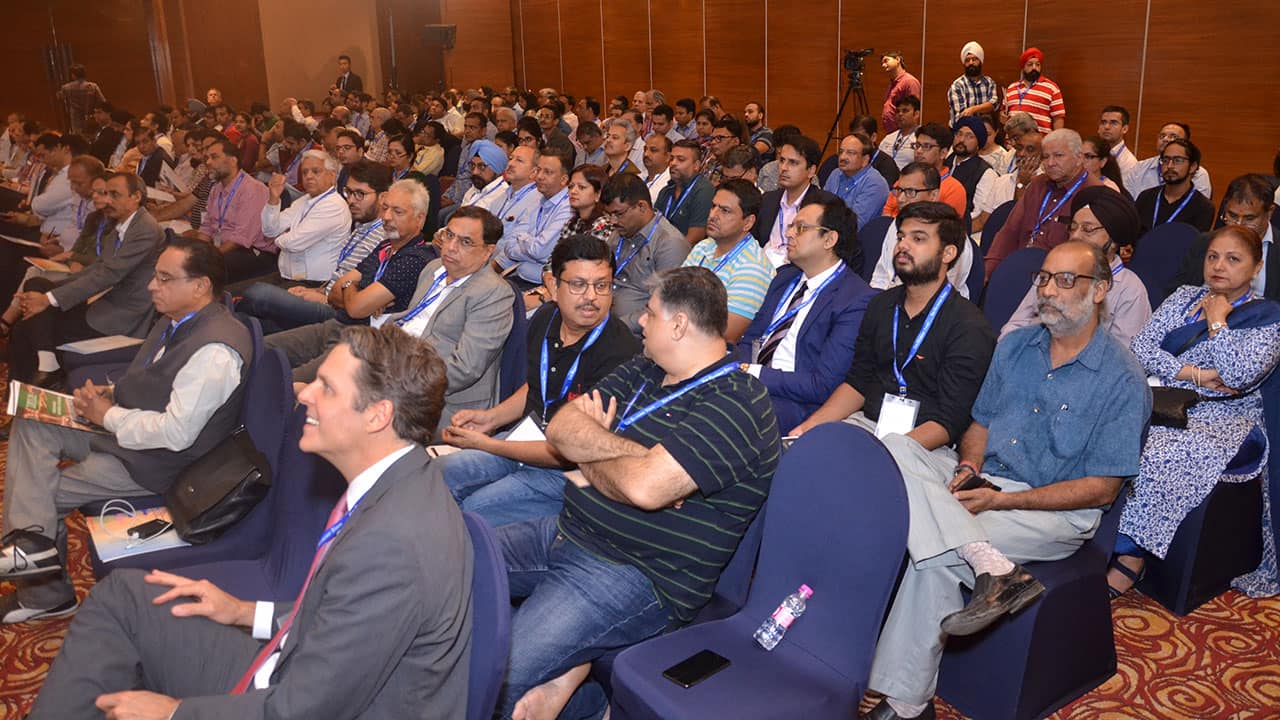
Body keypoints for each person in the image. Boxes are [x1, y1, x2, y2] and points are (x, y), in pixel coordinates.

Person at [26, 324, 473, 717]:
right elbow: (342, 618)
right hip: (297, 670)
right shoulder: (395, 485)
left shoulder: (392, 545)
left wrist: (174, 714)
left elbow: (306, 708)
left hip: (300, 701)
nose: (304, 393)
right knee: (123, 596)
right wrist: (244, 611)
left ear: (377, 415)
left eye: (327, 388)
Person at [857, 240, 1149, 720]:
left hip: (1052, 511)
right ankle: (989, 562)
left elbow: (1103, 489)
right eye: (1044, 278)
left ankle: (906, 703)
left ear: (1099, 290)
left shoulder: (1122, 379)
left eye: (1065, 280)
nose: (1048, 290)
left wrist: (1000, 503)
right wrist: (969, 470)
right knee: (894, 446)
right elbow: (979, 425)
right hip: (985, 480)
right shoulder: (1014, 346)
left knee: (937, 556)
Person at [496, 266, 780, 719]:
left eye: (649, 313)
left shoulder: (739, 401)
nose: (639, 321)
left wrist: (595, 453)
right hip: (567, 531)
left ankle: (588, 703)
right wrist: (636, 457)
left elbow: (645, 489)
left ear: (679, 324)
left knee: (497, 679)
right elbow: (563, 427)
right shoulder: (644, 369)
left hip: (633, 573)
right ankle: (570, 678)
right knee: (449, 572)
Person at [1, 238, 253, 624]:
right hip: (129, 432)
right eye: (155, 275)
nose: (152, 286)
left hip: (158, 463)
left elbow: (176, 434)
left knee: (41, 494)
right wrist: (112, 393)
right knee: (33, 421)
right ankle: (31, 548)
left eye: (165, 278)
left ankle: (47, 594)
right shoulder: (178, 320)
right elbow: (157, 381)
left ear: (200, 286)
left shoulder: (215, 351)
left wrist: (107, 415)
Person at [1109, 225, 1280, 600]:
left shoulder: (1268, 317)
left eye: (1233, 259)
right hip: (1160, 399)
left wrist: (1218, 321)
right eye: (1213, 256)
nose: (1219, 266)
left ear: (1256, 267)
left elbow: (1239, 375)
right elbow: (1141, 349)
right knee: (1108, 430)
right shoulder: (1184, 297)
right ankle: (1095, 537)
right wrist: (1197, 374)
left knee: (1156, 451)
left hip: (1227, 419)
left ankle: (1130, 556)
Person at [439, 235, 640, 527]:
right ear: (553, 286)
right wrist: (491, 418)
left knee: (475, 509)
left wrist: (488, 444)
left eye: (602, 285)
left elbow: (571, 451)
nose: (591, 297)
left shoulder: (621, 352)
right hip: (523, 441)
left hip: (569, 469)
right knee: (439, 473)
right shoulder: (545, 318)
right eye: (578, 284)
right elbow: (537, 386)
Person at [272, 204, 513, 429]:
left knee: (322, 407)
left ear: (488, 252)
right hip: (394, 362)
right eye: (449, 235)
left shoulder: (493, 294)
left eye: (465, 242)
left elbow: (464, 370)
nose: (450, 246)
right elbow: (415, 320)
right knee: (300, 388)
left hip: (436, 398)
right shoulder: (434, 269)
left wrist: (394, 377)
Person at [793, 201, 994, 449]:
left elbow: (949, 420)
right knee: (809, 450)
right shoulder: (880, 305)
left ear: (948, 253)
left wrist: (883, 454)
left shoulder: (969, 326)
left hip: (925, 446)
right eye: (901, 237)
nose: (903, 245)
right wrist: (808, 429)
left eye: (918, 239)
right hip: (867, 425)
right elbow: (857, 383)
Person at [7, 172, 164, 387]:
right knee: (36, 285)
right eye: (106, 194)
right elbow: (98, 268)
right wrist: (50, 293)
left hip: (119, 315)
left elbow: (110, 273)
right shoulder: (120, 225)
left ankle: (45, 370)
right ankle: (42, 369)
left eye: (115, 195)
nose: (107, 200)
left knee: (25, 329)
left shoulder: (145, 229)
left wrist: (49, 299)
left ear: (136, 196)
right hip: (102, 302)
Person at [736, 194, 875, 431]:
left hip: (795, 404)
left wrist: (756, 374)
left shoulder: (855, 299)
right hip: (750, 383)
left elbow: (823, 384)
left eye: (800, 228)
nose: (789, 233)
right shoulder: (784, 278)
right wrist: (743, 371)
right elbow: (750, 339)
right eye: (791, 226)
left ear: (829, 239)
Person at [237, 161, 392, 333]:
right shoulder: (362, 226)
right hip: (321, 291)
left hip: (337, 312)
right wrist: (316, 291)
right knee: (249, 323)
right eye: (348, 192)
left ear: (383, 197)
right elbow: (341, 273)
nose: (351, 200)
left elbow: (363, 292)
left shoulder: (384, 238)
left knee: (259, 294)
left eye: (360, 194)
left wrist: (324, 298)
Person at [1002, 186, 1152, 345]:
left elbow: (1124, 354)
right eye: (1072, 228)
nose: (1075, 236)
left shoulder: (1130, 289)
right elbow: (1015, 325)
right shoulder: (1052, 270)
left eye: (1088, 230)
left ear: (1113, 239)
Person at [984, 129, 1100, 277]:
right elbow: (1009, 232)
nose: (1050, 163)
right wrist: (989, 271)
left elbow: (1089, 257)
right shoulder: (1038, 184)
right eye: (1045, 157)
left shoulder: (1095, 193)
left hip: (1061, 277)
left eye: (1058, 156)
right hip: (1020, 266)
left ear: (1079, 158)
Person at [681, 179, 774, 342]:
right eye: (713, 206)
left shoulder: (753, 267)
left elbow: (725, 335)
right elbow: (672, 294)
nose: (713, 215)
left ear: (748, 222)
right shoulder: (704, 247)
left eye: (725, 211)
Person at [600, 172, 690, 332]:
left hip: (635, 333)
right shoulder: (620, 232)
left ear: (641, 206)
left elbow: (666, 306)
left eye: (618, 214)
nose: (613, 221)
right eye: (609, 215)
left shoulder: (669, 243)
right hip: (603, 318)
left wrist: (613, 327)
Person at [871, 164, 975, 296]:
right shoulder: (898, 224)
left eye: (910, 192)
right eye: (899, 190)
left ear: (933, 195)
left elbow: (938, 291)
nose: (901, 199)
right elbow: (880, 275)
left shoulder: (950, 233)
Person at [1172, 174, 1279, 300]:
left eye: (1249, 218)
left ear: (1269, 213)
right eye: (1232, 216)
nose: (1239, 225)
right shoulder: (1205, 242)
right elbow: (1176, 292)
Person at [754, 135, 848, 269]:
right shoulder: (767, 200)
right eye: (782, 160)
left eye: (793, 163)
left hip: (799, 271)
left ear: (811, 171)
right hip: (761, 268)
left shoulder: (826, 206)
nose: (783, 168)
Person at [261, 149, 354, 286]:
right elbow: (269, 230)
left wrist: (281, 237)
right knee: (243, 292)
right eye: (304, 172)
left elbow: (293, 243)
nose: (309, 176)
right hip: (287, 275)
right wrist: (274, 198)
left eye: (316, 171)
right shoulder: (303, 200)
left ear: (332, 175)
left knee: (254, 293)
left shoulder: (334, 205)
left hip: (314, 283)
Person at [191, 137, 274, 282]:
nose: (208, 162)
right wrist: (200, 250)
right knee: (185, 255)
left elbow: (241, 238)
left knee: (206, 268)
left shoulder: (253, 189)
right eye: (207, 158)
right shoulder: (216, 189)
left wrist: (212, 255)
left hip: (252, 252)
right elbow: (207, 226)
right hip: (224, 246)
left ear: (233, 161)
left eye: (214, 157)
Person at [493, 146, 574, 285]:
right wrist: (532, 244)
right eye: (539, 170)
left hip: (544, 284)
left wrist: (523, 240)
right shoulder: (538, 200)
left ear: (563, 179)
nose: (540, 176)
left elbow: (540, 251)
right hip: (519, 276)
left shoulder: (568, 207)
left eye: (547, 172)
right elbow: (510, 247)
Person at [883, 124, 968, 220]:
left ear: (943, 153)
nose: (919, 151)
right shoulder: (905, 179)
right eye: (917, 145)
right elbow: (887, 211)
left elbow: (945, 225)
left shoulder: (954, 189)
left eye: (926, 146)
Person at [1134, 138, 1215, 233]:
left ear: (1192, 167)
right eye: (1165, 160)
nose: (1169, 166)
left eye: (1177, 160)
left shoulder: (1203, 207)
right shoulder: (1146, 197)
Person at [1124, 122, 1212, 200]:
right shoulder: (1139, 168)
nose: (1165, 139)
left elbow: (1198, 205)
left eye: (1173, 136)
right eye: (1162, 136)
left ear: (1185, 143)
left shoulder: (1199, 174)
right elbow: (1127, 201)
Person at [823, 131, 891, 230]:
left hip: (857, 237)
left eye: (850, 153)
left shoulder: (875, 183)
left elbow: (854, 224)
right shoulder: (836, 174)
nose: (842, 157)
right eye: (841, 152)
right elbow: (821, 207)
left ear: (865, 160)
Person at [655, 139, 715, 245]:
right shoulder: (666, 191)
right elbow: (653, 227)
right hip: (659, 248)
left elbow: (695, 238)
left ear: (696, 165)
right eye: (672, 158)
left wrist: (668, 252)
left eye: (681, 159)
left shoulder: (704, 190)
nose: (673, 163)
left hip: (684, 252)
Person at [1002, 47, 1065, 134]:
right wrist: (1002, 117)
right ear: (1023, 67)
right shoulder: (1011, 88)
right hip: (1013, 140)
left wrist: (1057, 139)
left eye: (1037, 64)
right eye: (1030, 64)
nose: (1034, 68)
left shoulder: (1051, 87)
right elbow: (1003, 113)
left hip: (1039, 140)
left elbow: (1058, 118)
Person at [946, 116, 995, 217]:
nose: (961, 140)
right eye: (959, 134)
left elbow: (978, 214)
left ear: (978, 144)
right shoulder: (945, 161)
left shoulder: (986, 173)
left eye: (969, 136)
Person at [947, 42, 1000, 125]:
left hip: (985, 127)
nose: (971, 63)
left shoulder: (989, 82)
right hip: (963, 128)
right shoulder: (957, 85)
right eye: (967, 60)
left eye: (974, 59)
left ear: (980, 61)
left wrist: (973, 109)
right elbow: (963, 115)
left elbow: (994, 104)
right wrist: (983, 108)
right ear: (964, 64)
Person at [458, 139, 509, 215]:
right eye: (472, 165)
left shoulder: (503, 196)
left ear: (496, 169)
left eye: (481, 166)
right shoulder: (473, 189)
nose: (475, 172)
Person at [57, 64, 106, 135]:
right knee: (93, 135)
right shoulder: (93, 86)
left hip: (75, 118)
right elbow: (103, 101)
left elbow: (60, 98)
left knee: (78, 137)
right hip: (91, 116)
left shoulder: (66, 87)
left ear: (73, 75)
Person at [881, 51, 922, 134]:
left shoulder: (909, 81)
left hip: (904, 132)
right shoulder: (892, 84)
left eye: (886, 61)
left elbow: (913, 108)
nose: (883, 65)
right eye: (882, 63)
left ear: (897, 59)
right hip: (893, 132)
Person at [879, 96, 921, 171]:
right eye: (898, 111)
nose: (900, 114)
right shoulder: (888, 138)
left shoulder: (922, 138)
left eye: (905, 111)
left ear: (916, 114)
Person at [1098, 105, 1138, 176]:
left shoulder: (1129, 163)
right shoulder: (1093, 152)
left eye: (1113, 123)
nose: (1106, 127)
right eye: (1103, 122)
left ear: (1124, 129)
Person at [641, 133, 672, 203]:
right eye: (645, 149)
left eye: (653, 150)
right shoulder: (639, 177)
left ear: (668, 157)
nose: (646, 154)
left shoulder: (669, 183)